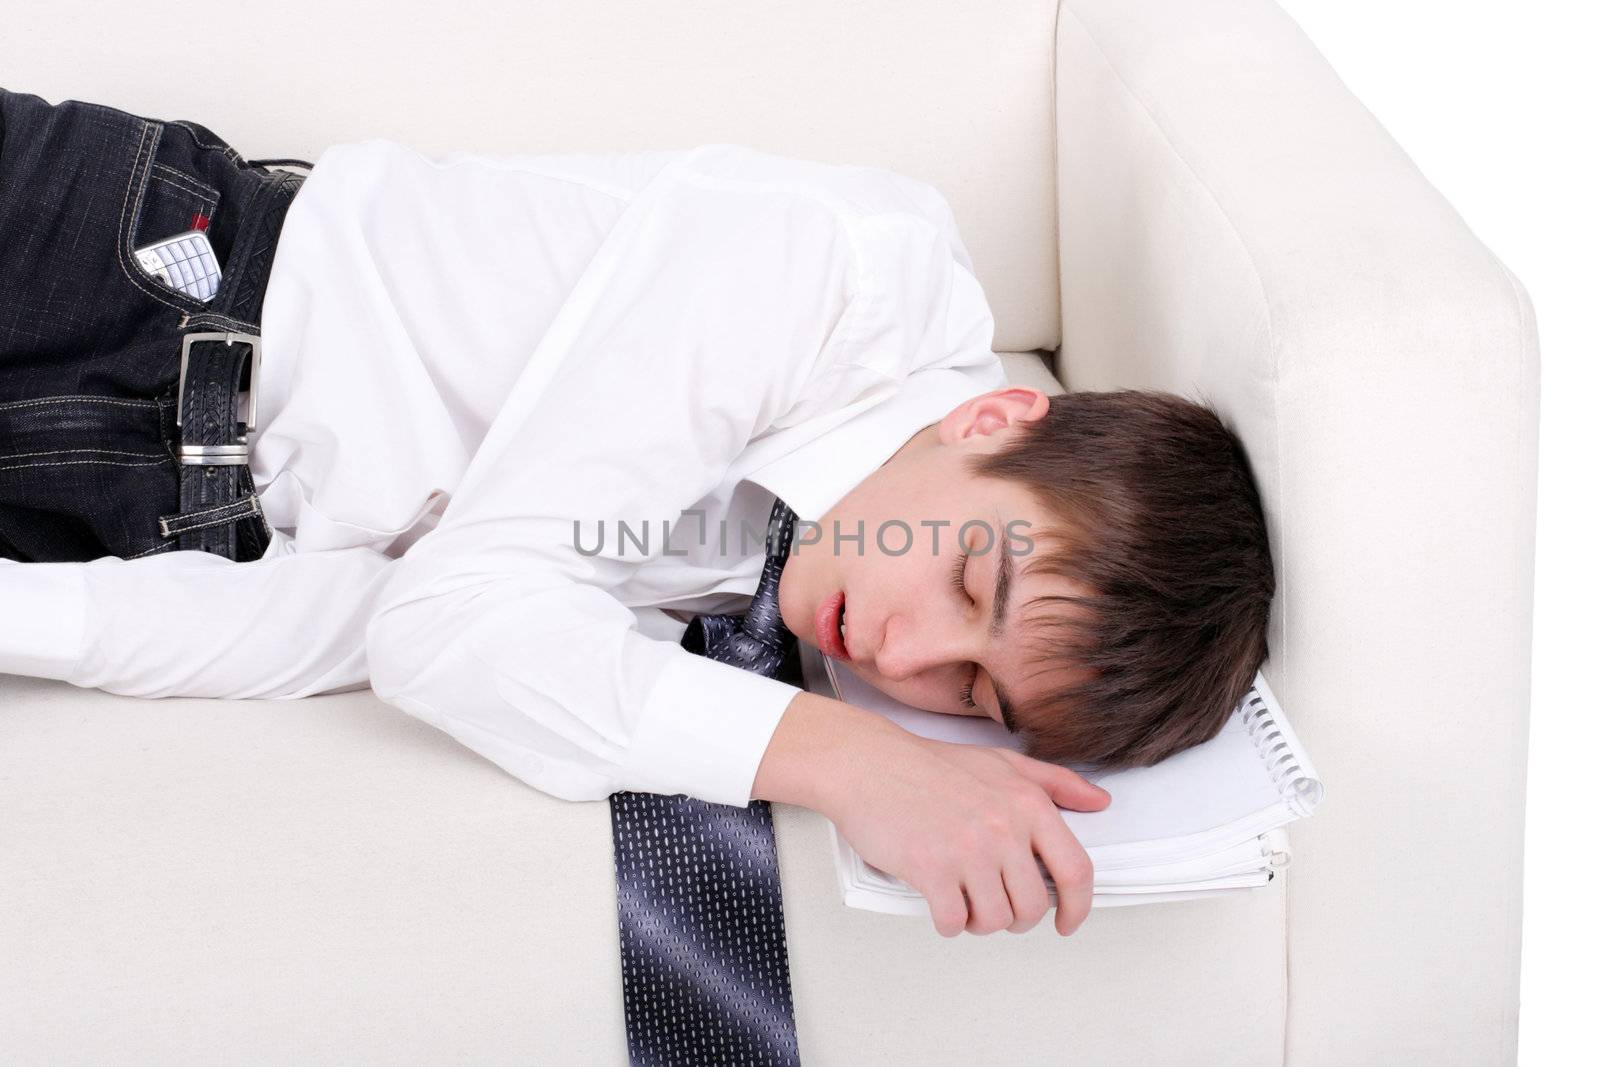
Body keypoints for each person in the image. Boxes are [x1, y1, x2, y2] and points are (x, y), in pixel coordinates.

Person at [0, 89, 1274, 941]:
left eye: (972, 695)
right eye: (969, 585)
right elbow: (455, 615)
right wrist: (852, 760)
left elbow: (354, 622)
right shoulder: (836, 272)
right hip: (125, 263)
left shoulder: (750, 592)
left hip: (139, 502)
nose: (899, 654)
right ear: (995, 424)